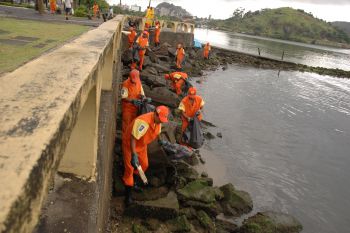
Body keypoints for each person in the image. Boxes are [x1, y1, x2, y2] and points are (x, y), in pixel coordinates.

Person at [122, 106, 169, 205]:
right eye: (160, 119)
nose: (161, 122)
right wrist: (134, 155)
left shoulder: (158, 122)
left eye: (162, 120)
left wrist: (160, 140)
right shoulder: (143, 122)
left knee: (144, 164)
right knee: (130, 168)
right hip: (130, 145)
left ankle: (134, 182)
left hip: (142, 145)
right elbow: (133, 138)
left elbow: (158, 131)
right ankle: (128, 196)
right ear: (155, 113)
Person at [121, 69, 145, 136]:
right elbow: (123, 97)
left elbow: (141, 92)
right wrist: (132, 101)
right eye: (132, 80)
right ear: (130, 77)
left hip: (135, 108)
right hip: (127, 109)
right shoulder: (125, 84)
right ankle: (125, 141)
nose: (134, 82)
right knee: (126, 126)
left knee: (133, 125)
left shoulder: (138, 82)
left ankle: (129, 140)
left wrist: (142, 97)